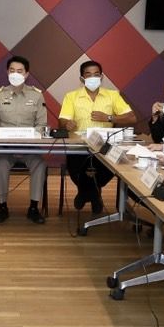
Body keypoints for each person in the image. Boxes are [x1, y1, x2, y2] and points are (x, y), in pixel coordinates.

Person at [59, 60, 137, 215]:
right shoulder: (71, 96)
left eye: (96, 74)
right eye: (88, 75)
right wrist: (67, 124)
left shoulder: (113, 95)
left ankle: (85, 194)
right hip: (79, 146)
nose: (93, 77)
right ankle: (94, 195)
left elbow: (132, 118)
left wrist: (108, 118)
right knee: (77, 167)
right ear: (82, 78)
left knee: (109, 167)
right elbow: (62, 120)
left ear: (101, 77)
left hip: (105, 147)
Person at [0, 54, 48, 224]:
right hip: (5, 149)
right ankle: (2, 207)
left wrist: (29, 137)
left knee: (39, 165)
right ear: (7, 72)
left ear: (26, 74)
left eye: (19, 71)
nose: (15, 73)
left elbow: (42, 125)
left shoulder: (37, 95)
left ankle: (34, 208)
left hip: (30, 148)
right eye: (12, 70)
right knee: (0, 165)